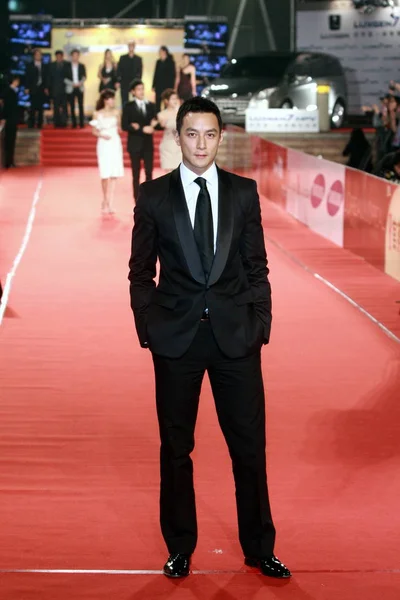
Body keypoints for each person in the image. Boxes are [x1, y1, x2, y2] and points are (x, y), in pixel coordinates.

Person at [128, 97, 291, 580]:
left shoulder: (244, 193)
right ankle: (180, 546)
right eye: (192, 134)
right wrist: (148, 328)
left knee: (249, 446)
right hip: (175, 341)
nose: (201, 143)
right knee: (176, 449)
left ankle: (260, 547)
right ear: (177, 138)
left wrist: (259, 325)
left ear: (221, 137)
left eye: (210, 134)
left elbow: (257, 266)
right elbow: (140, 273)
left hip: (236, 340)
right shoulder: (153, 196)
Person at [89, 90, 124, 214]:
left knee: (114, 173)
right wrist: (102, 135)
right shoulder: (97, 113)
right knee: (105, 173)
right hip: (103, 143)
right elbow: (94, 131)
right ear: (105, 100)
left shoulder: (116, 112)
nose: (113, 101)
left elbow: (120, 127)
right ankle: (105, 199)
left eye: (113, 99)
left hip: (115, 142)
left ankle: (110, 202)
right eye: (110, 99)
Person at [122, 79, 156, 201]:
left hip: (148, 145)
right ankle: (137, 199)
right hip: (134, 145)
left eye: (142, 89)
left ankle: (149, 198)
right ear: (133, 92)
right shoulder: (128, 106)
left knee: (149, 173)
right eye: (138, 89)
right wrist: (140, 128)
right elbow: (124, 125)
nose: (141, 91)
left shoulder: (151, 105)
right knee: (135, 174)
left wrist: (153, 126)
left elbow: (155, 122)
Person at [156, 89, 181, 172]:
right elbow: (163, 125)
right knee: (169, 175)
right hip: (167, 146)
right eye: (173, 99)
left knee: (179, 174)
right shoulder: (161, 114)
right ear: (166, 101)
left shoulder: (182, 113)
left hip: (180, 147)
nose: (175, 101)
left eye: (176, 98)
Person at [25, 49, 49, 128]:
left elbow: (46, 78)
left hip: (41, 89)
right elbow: (27, 77)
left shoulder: (45, 65)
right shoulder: (29, 65)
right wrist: (27, 87)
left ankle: (40, 124)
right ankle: (31, 123)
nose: (38, 56)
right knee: (32, 107)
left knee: (41, 108)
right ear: (34, 56)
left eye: (40, 54)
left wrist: (46, 88)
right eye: (37, 54)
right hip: (33, 88)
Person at [1, 75, 20, 168]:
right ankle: (8, 162)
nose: (18, 83)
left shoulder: (13, 91)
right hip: (10, 119)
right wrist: (3, 118)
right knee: (9, 141)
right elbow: (6, 107)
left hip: (13, 119)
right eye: (17, 81)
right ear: (13, 81)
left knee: (12, 141)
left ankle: (10, 161)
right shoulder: (8, 92)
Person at [64, 49, 86, 128]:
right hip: (71, 88)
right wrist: (72, 84)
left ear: (78, 56)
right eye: (74, 55)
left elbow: (84, 76)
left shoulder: (82, 66)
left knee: (81, 105)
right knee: (72, 106)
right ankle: (74, 123)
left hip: (80, 87)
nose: (75, 57)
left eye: (77, 55)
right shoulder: (67, 66)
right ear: (71, 56)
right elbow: (65, 78)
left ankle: (81, 123)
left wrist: (80, 83)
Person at [117, 42, 143, 107]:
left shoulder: (138, 59)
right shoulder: (122, 58)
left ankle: (136, 114)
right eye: (130, 46)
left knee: (136, 100)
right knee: (124, 101)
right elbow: (119, 70)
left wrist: (138, 82)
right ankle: (125, 115)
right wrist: (118, 81)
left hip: (134, 83)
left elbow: (140, 71)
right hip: (124, 82)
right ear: (128, 47)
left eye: (132, 46)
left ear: (134, 47)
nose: (131, 47)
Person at [152, 46, 176, 112]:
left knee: (166, 102)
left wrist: (172, 87)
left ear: (164, 52)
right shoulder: (158, 62)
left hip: (167, 86)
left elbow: (173, 76)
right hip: (158, 86)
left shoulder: (171, 62)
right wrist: (153, 85)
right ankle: (158, 117)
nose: (159, 53)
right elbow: (155, 74)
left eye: (160, 51)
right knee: (157, 103)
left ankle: (165, 117)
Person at [48, 50, 68, 128]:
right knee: (55, 107)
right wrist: (48, 88)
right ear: (56, 57)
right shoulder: (51, 65)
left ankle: (64, 122)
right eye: (57, 56)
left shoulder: (67, 64)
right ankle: (57, 123)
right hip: (55, 89)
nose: (59, 57)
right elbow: (49, 77)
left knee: (64, 107)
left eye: (60, 56)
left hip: (65, 89)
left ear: (62, 56)